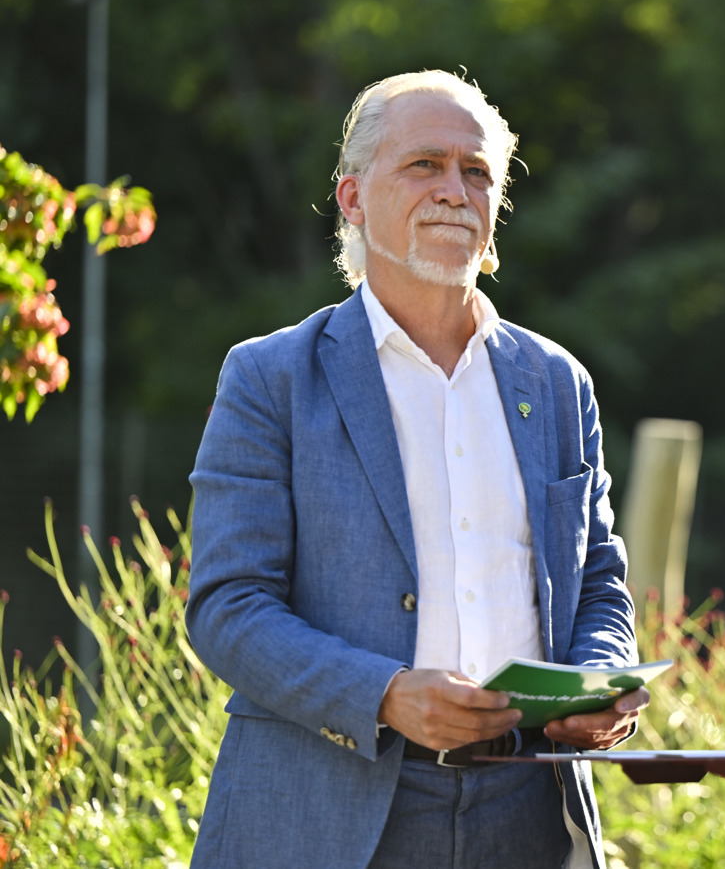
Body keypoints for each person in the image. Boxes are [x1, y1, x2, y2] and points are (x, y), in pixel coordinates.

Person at [185, 69, 645, 869]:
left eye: (477, 171)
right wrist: (387, 694)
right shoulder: (271, 378)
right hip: (328, 817)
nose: (453, 191)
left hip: (527, 807)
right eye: (424, 165)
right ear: (353, 199)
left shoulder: (558, 382)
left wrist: (600, 684)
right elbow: (228, 606)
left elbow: (600, 581)